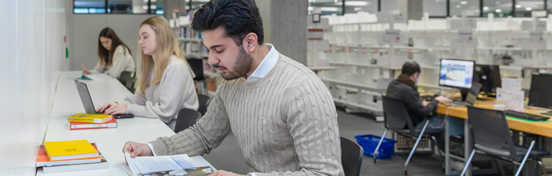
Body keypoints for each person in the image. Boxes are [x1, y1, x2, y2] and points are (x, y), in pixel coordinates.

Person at [122, 0, 343, 176]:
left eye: (218, 50)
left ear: (250, 42)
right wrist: (151, 149)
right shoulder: (233, 83)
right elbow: (203, 135)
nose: (210, 60)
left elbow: (324, 173)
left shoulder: (302, 90)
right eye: (209, 49)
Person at [96, 16, 199, 130]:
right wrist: (119, 106)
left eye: (145, 36)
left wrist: (128, 109)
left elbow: (165, 113)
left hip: (172, 131)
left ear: (161, 37)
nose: (140, 41)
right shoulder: (151, 66)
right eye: (140, 37)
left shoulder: (176, 67)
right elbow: (140, 98)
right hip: (157, 124)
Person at [386, 61, 453, 151]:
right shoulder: (408, 91)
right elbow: (424, 112)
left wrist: (421, 101)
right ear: (415, 74)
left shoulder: (393, 84)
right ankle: (451, 158)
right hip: (413, 125)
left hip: (396, 122)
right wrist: (436, 101)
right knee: (449, 124)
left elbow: (414, 98)